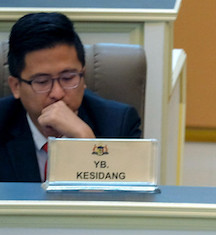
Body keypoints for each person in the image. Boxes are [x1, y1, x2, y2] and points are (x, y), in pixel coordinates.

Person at [0, 12, 142, 182]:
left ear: (83, 77)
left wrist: (87, 141)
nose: (57, 93)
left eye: (68, 78)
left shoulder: (118, 124)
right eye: (42, 81)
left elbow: (126, 197)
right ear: (16, 86)